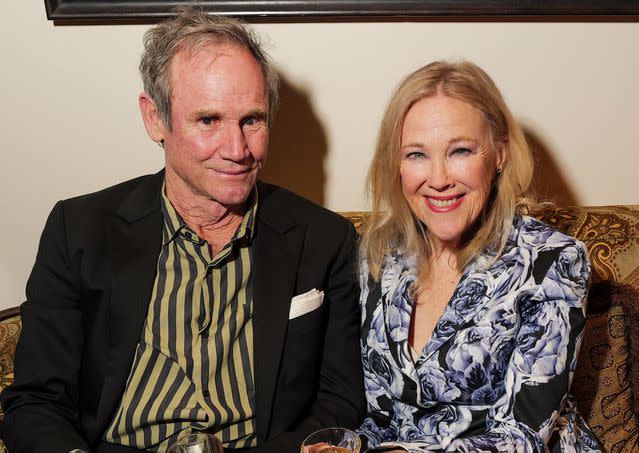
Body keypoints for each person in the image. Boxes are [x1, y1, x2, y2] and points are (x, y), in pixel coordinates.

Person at [0, 7, 364, 453]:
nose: (237, 149)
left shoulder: (325, 240)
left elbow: (339, 401)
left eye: (252, 119)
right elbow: (36, 401)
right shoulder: (79, 231)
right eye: (208, 120)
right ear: (155, 119)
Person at [356, 60, 600, 452]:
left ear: (499, 155)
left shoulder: (552, 261)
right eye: (416, 154)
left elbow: (522, 436)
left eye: (460, 151)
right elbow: (383, 417)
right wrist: (348, 445)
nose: (438, 179)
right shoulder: (381, 255)